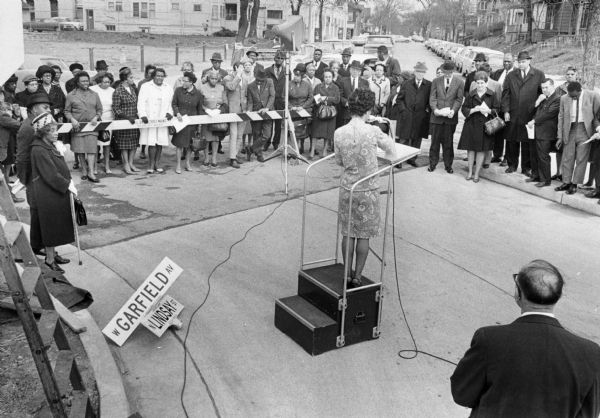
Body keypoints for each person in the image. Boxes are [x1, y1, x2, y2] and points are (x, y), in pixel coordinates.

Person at [451, 260, 600, 418]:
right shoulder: (591, 353)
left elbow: (462, 394)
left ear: (518, 293)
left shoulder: (489, 339)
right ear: (559, 296)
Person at [334, 89, 397, 288]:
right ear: (368, 110)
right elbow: (392, 149)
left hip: (348, 187)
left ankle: (346, 273)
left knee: (348, 232)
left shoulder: (339, 132)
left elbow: (339, 161)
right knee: (363, 235)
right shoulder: (372, 131)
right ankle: (358, 276)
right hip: (368, 189)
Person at [28, 112, 76, 273]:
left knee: (54, 226)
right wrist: (67, 185)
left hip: (53, 192)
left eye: (56, 130)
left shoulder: (47, 145)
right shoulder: (39, 149)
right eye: (52, 131)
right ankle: (49, 260)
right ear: (43, 132)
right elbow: (50, 175)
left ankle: (53, 254)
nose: (56, 133)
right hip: (47, 194)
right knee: (50, 227)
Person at [501, 50, 545, 176]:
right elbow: (506, 95)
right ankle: (512, 165)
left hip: (529, 114)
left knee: (527, 143)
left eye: (523, 62)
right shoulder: (511, 75)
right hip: (513, 114)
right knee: (511, 141)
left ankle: (526, 168)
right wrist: (506, 111)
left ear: (529, 61)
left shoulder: (538, 74)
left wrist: (537, 111)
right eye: (519, 62)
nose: (521, 64)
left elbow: (542, 93)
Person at [554, 81, 600, 195]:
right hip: (570, 129)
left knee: (581, 158)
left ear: (580, 91)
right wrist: (560, 136)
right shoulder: (564, 98)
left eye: (575, 96)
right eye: (571, 96)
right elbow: (561, 117)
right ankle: (566, 182)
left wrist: (597, 131)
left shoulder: (593, 96)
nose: (573, 98)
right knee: (567, 157)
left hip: (585, 130)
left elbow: (597, 116)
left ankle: (575, 184)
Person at [458, 71, 500, 182]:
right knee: (471, 150)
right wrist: (472, 110)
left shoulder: (492, 94)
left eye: (482, 83)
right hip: (471, 125)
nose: (480, 85)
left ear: (486, 83)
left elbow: (497, 110)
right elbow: (464, 108)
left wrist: (489, 110)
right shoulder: (471, 94)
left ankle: (476, 174)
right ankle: (470, 172)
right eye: (478, 83)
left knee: (481, 150)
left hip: (485, 126)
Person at [64, 71, 102, 183]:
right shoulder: (71, 95)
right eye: (83, 81)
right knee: (80, 150)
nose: (86, 83)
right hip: (78, 128)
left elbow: (99, 109)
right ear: (77, 82)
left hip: (91, 127)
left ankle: (91, 172)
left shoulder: (94, 94)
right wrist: (72, 119)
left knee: (91, 150)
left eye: (87, 80)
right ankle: (84, 170)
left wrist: (97, 117)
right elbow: (67, 111)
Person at [428, 60, 464, 174]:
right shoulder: (436, 81)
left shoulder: (459, 82)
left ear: (453, 71)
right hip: (437, 118)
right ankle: (432, 163)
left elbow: (459, 99)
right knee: (434, 142)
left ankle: (448, 165)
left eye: (449, 72)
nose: (447, 75)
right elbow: (432, 97)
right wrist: (435, 110)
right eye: (445, 72)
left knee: (448, 143)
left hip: (450, 118)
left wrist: (453, 111)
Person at [392, 62, 431, 167]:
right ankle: (398, 160)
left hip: (420, 117)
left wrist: (426, 112)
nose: (420, 74)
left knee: (416, 139)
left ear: (425, 73)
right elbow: (399, 100)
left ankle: (412, 159)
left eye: (422, 72)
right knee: (403, 138)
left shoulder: (428, 85)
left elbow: (430, 101)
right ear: (414, 72)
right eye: (418, 72)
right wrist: (403, 111)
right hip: (407, 115)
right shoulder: (406, 83)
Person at [137, 68, 174, 174]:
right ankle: (151, 164)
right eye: (158, 75)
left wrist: (169, 113)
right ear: (153, 76)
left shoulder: (168, 88)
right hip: (150, 118)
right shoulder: (146, 86)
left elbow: (171, 103)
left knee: (160, 142)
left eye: (162, 76)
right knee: (151, 142)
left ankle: (157, 163)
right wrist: (142, 114)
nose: (160, 78)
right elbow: (141, 102)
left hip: (163, 118)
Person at [527, 78, 561, 187]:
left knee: (543, 156)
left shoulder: (557, 98)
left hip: (546, 132)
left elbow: (548, 114)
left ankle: (545, 180)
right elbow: (529, 111)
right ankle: (536, 175)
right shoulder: (542, 98)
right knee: (534, 155)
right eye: (543, 88)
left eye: (547, 87)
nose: (544, 89)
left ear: (552, 86)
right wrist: (537, 102)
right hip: (536, 131)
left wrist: (534, 120)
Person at [470, 63, 502, 168]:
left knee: (488, 139)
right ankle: (475, 159)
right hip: (476, 116)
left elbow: (498, 102)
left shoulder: (496, 85)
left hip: (488, 117)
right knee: (475, 138)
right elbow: (470, 98)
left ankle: (487, 161)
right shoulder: (473, 84)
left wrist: (490, 110)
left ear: (489, 74)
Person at [171, 71, 204, 172]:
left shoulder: (198, 94)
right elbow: (174, 104)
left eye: (185, 81)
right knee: (179, 145)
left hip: (192, 123)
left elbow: (200, 109)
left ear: (191, 82)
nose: (183, 83)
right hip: (180, 123)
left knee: (190, 145)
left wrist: (199, 125)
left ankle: (187, 163)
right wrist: (177, 113)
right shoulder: (178, 91)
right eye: (182, 80)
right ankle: (178, 165)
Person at [112, 67, 140, 174]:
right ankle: (126, 164)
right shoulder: (118, 91)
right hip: (123, 121)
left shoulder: (133, 89)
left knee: (133, 143)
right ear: (125, 79)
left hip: (134, 120)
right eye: (131, 77)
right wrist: (127, 117)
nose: (133, 79)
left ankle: (131, 163)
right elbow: (116, 108)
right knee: (124, 144)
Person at [553, 66, 579, 182]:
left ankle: (567, 175)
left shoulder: (580, 88)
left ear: (576, 75)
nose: (569, 76)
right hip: (562, 121)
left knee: (571, 152)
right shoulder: (560, 88)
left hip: (575, 124)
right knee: (559, 149)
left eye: (572, 74)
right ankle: (558, 172)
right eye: (567, 74)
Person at [199, 70, 228, 167]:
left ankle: (214, 158)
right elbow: (200, 102)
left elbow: (225, 102)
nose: (214, 80)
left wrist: (219, 110)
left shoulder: (221, 87)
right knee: (206, 139)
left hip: (217, 116)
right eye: (212, 78)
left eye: (216, 79)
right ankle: (206, 157)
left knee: (215, 139)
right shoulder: (202, 88)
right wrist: (206, 110)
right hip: (206, 115)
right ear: (208, 78)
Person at [246, 69, 274, 162]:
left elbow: (272, 96)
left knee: (267, 135)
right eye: (257, 80)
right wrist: (249, 111)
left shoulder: (269, 82)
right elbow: (250, 101)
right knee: (256, 134)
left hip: (267, 112)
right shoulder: (250, 86)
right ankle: (259, 154)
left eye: (261, 80)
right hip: (255, 113)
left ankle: (250, 149)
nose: (259, 82)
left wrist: (267, 108)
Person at [223, 62, 248, 168]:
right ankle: (232, 159)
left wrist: (247, 108)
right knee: (233, 135)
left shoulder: (245, 79)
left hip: (243, 110)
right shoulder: (227, 78)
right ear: (236, 68)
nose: (243, 69)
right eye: (241, 67)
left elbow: (246, 93)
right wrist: (238, 75)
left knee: (239, 136)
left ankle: (235, 155)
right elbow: (232, 87)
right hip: (233, 110)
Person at [311, 68, 340, 159]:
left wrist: (326, 98)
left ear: (332, 78)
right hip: (320, 111)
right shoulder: (318, 87)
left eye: (329, 77)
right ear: (323, 77)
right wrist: (321, 101)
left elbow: (337, 100)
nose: (327, 78)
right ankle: (312, 150)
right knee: (315, 132)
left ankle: (324, 150)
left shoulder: (335, 87)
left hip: (331, 113)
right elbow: (316, 99)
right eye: (326, 77)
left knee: (328, 133)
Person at [90, 72, 115, 174]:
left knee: (107, 143)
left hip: (109, 119)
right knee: (95, 144)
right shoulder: (93, 90)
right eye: (104, 82)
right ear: (100, 81)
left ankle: (107, 166)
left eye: (109, 82)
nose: (107, 84)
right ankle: (95, 167)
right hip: (96, 119)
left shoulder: (113, 91)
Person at [0, 101, 23, 202]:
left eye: (9, 109)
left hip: (8, 147)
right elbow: (19, 125)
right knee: (4, 174)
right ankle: (10, 197)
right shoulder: (4, 117)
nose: (7, 111)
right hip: (4, 149)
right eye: (6, 109)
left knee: (5, 173)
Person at [288, 64, 313, 155]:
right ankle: (294, 147)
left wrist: (303, 107)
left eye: (298, 76)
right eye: (295, 75)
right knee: (293, 129)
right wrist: (291, 107)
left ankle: (301, 145)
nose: (296, 77)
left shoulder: (307, 85)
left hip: (303, 110)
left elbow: (311, 98)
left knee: (302, 129)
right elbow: (284, 97)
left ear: (302, 76)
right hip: (292, 110)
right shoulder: (289, 84)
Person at [265, 51, 286, 151]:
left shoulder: (286, 71)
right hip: (270, 99)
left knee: (278, 123)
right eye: (278, 58)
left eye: (282, 58)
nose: (280, 60)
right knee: (268, 122)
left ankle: (276, 142)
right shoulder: (267, 71)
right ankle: (266, 142)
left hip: (280, 100)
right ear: (274, 58)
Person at [136, 64, 156, 161]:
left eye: (153, 73)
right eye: (149, 73)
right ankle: (143, 150)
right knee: (143, 131)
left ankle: (153, 151)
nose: (151, 75)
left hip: (154, 110)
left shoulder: (157, 83)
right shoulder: (142, 83)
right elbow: (140, 98)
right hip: (145, 109)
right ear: (146, 74)